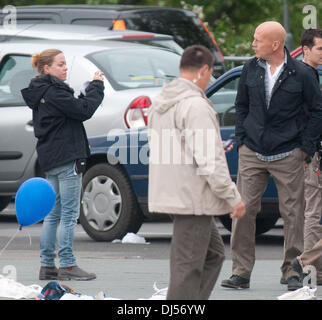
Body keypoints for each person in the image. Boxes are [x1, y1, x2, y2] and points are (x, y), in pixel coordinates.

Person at [221, 21, 322, 291]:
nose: (252, 44)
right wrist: (242, 141)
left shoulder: (301, 72)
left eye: (257, 40)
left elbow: (315, 112)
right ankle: (241, 272)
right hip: (252, 151)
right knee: (242, 212)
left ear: (275, 44)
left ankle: (292, 271)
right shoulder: (249, 69)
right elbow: (240, 105)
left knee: (293, 214)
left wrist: (306, 148)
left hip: (289, 152)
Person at [148, 45, 245, 300]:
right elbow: (210, 160)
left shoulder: (162, 102)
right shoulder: (195, 106)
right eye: (210, 73)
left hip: (173, 192)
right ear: (204, 70)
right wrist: (232, 196)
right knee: (188, 267)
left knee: (212, 255)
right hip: (192, 196)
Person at [21, 49, 105, 281]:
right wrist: (97, 86)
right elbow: (83, 110)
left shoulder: (41, 92)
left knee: (52, 214)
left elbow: (72, 110)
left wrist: (84, 93)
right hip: (67, 157)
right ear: (47, 68)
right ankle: (67, 265)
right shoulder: (55, 92)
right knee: (68, 214)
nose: (65, 67)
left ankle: (47, 265)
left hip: (51, 158)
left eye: (65, 63)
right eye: (60, 64)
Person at [300, 28, 322, 285]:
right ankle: (307, 266)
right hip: (311, 152)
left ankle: (309, 265)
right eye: (320, 49)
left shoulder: (311, 73)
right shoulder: (304, 75)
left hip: (313, 149)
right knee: (313, 211)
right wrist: (308, 149)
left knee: (312, 210)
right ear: (306, 49)